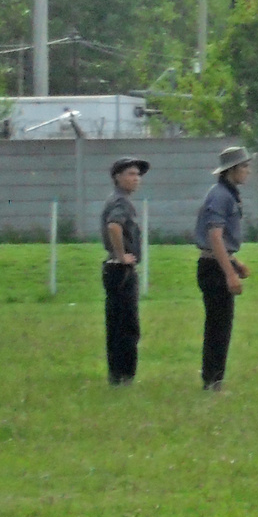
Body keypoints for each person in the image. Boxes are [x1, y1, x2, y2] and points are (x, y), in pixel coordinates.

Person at [193, 146, 255, 391]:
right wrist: (229, 273)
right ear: (231, 170)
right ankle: (212, 381)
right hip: (214, 267)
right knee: (218, 327)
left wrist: (235, 262)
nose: (248, 171)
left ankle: (215, 378)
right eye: (244, 167)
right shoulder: (221, 196)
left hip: (219, 262)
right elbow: (215, 236)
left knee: (221, 325)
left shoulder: (227, 194)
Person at [100, 156, 149, 385]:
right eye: (131, 174)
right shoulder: (122, 202)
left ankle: (115, 375)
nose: (136, 179)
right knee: (127, 326)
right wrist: (122, 256)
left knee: (115, 324)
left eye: (138, 174)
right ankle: (126, 376)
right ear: (117, 177)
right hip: (122, 271)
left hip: (112, 270)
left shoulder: (116, 199)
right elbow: (114, 226)